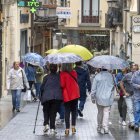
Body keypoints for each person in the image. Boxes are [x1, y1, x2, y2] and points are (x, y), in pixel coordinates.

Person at [40, 64, 62, 135]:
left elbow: (42, 88)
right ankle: (52, 128)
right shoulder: (59, 77)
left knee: (46, 111)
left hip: (46, 96)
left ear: (49, 69)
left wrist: (40, 96)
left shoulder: (46, 77)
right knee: (53, 113)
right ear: (56, 69)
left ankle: (46, 124)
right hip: (56, 97)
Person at [91, 69, 115, 134]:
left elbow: (93, 88)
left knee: (100, 112)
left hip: (99, 97)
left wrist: (92, 98)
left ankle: (99, 126)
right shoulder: (111, 76)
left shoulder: (97, 76)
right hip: (108, 97)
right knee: (106, 112)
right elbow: (113, 86)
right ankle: (105, 128)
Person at [60, 63, 80, 136]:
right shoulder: (74, 72)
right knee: (74, 110)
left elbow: (62, 85)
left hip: (67, 95)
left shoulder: (62, 74)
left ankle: (67, 129)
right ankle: (73, 127)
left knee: (67, 111)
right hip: (75, 93)